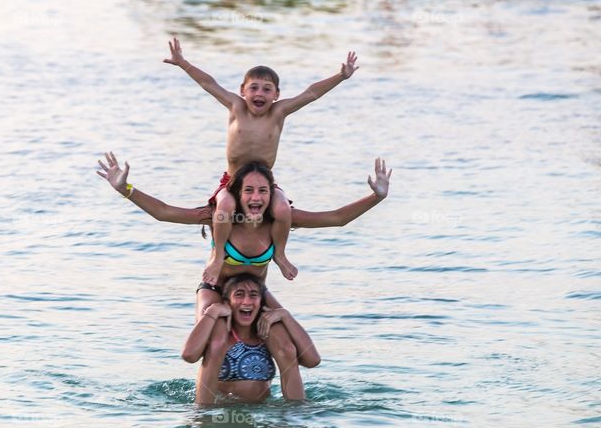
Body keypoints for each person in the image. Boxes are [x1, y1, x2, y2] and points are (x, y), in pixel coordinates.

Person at [96, 151, 392, 368]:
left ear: (271, 196)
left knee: (302, 355)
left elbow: (336, 218)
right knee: (213, 344)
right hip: (214, 292)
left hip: (255, 295)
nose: (256, 197)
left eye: (263, 191)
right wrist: (125, 189)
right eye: (248, 190)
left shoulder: (278, 221)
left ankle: (293, 421)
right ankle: (204, 414)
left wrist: (376, 197)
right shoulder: (219, 217)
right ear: (237, 194)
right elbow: (164, 212)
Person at [163, 37, 359, 286]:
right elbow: (207, 83)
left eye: (267, 89)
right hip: (233, 182)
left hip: (264, 184)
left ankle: (279, 253)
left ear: (277, 95)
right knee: (223, 210)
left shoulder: (279, 112)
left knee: (282, 210)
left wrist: (339, 77)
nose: (259, 93)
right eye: (253, 87)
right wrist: (183, 63)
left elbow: (311, 93)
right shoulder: (235, 106)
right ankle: (217, 255)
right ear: (242, 91)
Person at [182, 273, 312, 404]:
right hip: (222, 411)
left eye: (253, 295)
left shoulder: (265, 335)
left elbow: (312, 360)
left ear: (260, 302)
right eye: (239, 294)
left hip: (261, 414)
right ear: (228, 303)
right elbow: (189, 355)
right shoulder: (221, 336)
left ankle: (296, 413)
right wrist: (213, 311)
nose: (247, 301)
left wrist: (285, 315)